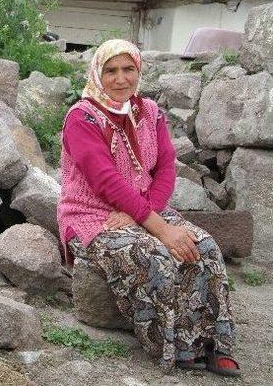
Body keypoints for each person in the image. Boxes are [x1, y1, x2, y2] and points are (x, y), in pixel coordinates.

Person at [57, 39, 240, 377]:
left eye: (128, 69)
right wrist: (158, 228)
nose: (120, 78)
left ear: (138, 71)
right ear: (98, 74)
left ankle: (216, 342)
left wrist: (143, 214)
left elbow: (167, 167)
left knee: (205, 247)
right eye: (110, 71)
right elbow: (106, 182)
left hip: (141, 209)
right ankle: (177, 347)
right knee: (152, 257)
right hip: (93, 215)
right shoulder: (82, 118)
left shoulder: (150, 112)